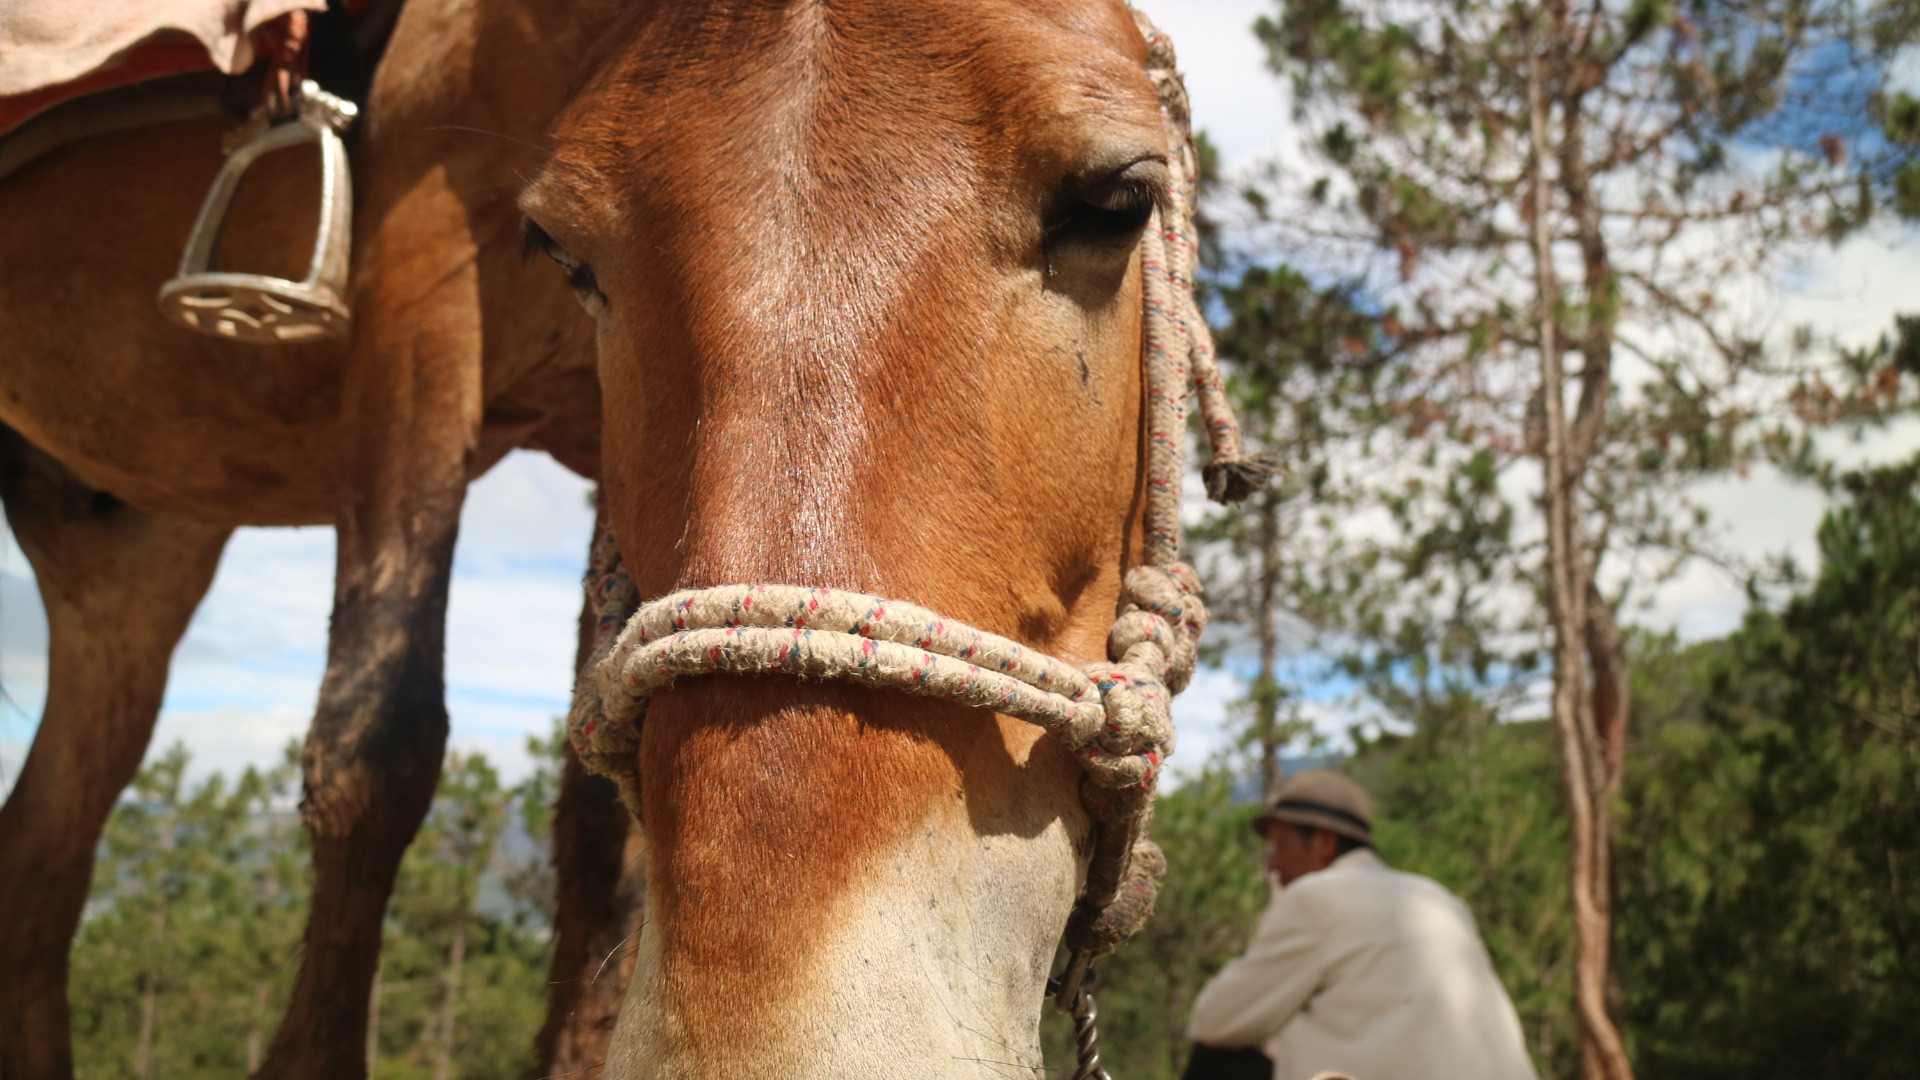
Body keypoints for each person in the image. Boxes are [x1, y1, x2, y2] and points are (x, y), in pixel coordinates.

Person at [1185, 770, 1541, 1080]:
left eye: (1280, 845)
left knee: (1213, 1059)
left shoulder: (1314, 897)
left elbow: (1213, 1021)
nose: (1274, 865)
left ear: (1324, 842)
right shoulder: (1437, 895)